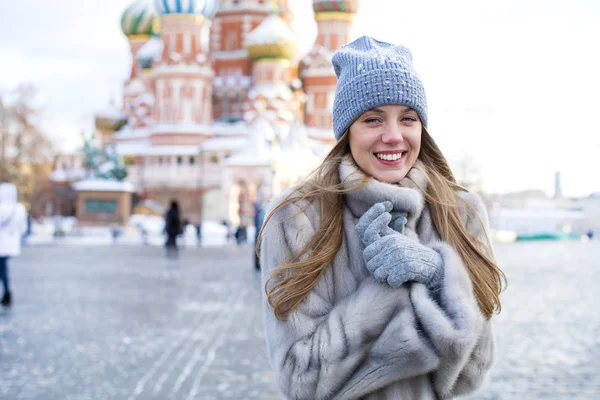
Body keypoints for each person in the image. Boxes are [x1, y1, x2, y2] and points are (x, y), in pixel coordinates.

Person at [258, 36, 506, 399]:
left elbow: (472, 374)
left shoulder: (460, 211)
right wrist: (383, 291)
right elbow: (300, 380)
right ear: (347, 131)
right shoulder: (297, 218)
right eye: (372, 119)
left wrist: (437, 274)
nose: (393, 137)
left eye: (408, 119)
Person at [0, 183, 28, 307]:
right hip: (11, 244)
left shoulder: (1, 208)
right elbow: (23, 228)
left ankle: (7, 293)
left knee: (2, 269)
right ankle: (7, 292)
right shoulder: (19, 208)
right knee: (3, 268)